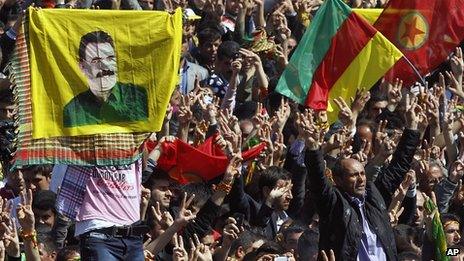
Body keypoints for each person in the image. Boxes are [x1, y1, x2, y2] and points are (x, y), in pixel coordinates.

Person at [301, 97, 421, 260]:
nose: (361, 179)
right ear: (338, 180)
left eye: (362, 173)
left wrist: (412, 128)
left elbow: (398, 167)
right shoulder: (333, 203)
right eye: (353, 175)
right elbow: (317, 180)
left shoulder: (375, 197)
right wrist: (313, 148)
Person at [63, 30, 148, 127]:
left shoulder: (139, 97)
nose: (105, 66)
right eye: (96, 60)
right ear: (82, 66)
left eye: (110, 58)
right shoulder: (72, 111)